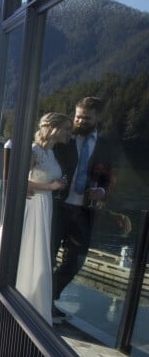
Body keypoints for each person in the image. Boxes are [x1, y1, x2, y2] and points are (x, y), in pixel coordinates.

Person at [0, 113, 72, 323]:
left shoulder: (51, 152)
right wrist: (51, 186)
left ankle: (30, 298)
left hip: (44, 206)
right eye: (66, 129)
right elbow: (18, 180)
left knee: (37, 251)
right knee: (25, 247)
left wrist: (59, 183)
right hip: (32, 205)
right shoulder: (34, 151)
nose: (69, 133)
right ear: (53, 129)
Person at [50, 96, 115, 319]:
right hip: (57, 206)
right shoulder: (64, 138)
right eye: (78, 116)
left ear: (97, 118)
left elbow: (107, 177)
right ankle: (43, 301)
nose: (79, 121)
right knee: (47, 256)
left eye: (86, 118)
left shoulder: (105, 146)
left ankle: (49, 296)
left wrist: (102, 192)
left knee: (75, 260)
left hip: (83, 211)